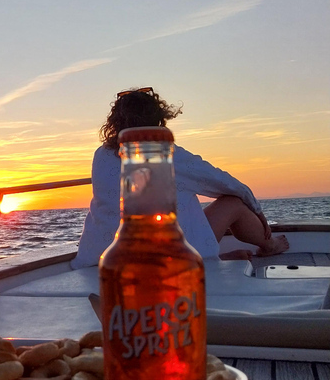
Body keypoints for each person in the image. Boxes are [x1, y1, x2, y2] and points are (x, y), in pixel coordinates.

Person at [72, 87, 289, 269]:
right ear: (158, 120)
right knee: (234, 203)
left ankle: (214, 259)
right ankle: (267, 246)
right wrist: (259, 213)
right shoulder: (169, 155)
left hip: (98, 259)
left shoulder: (101, 155)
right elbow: (229, 184)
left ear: (114, 122)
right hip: (165, 263)